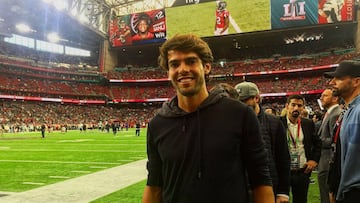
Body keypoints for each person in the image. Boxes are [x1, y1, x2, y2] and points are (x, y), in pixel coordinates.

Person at [142, 34, 274, 203]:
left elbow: (260, 178)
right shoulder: (157, 124)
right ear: (168, 72)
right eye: (175, 64)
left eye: (191, 61)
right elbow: (154, 185)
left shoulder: (240, 115)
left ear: (206, 67)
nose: (182, 69)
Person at [235, 81, 291, 203]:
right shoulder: (233, 122)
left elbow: (283, 159)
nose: (241, 104)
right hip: (240, 188)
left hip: (268, 186)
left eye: (245, 100)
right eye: (238, 101)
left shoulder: (274, 123)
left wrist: (283, 191)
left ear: (256, 98)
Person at [324, 60, 360, 203]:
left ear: (356, 81)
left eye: (339, 78)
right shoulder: (349, 110)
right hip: (347, 190)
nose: (332, 82)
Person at [280, 94, 322, 203]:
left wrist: (314, 160)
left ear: (303, 108)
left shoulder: (308, 124)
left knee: (301, 200)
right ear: (287, 106)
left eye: (299, 105)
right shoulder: (278, 123)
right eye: (293, 105)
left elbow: (318, 143)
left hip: (302, 171)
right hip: (282, 172)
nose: (296, 108)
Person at [317, 88, 341, 203]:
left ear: (335, 98)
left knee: (327, 194)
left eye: (325, 95)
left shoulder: (335, 114)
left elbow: (335, 139)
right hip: (325, 160)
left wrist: (317, 141)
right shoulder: (329, 113)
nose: (321, 98)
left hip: (328, 160)